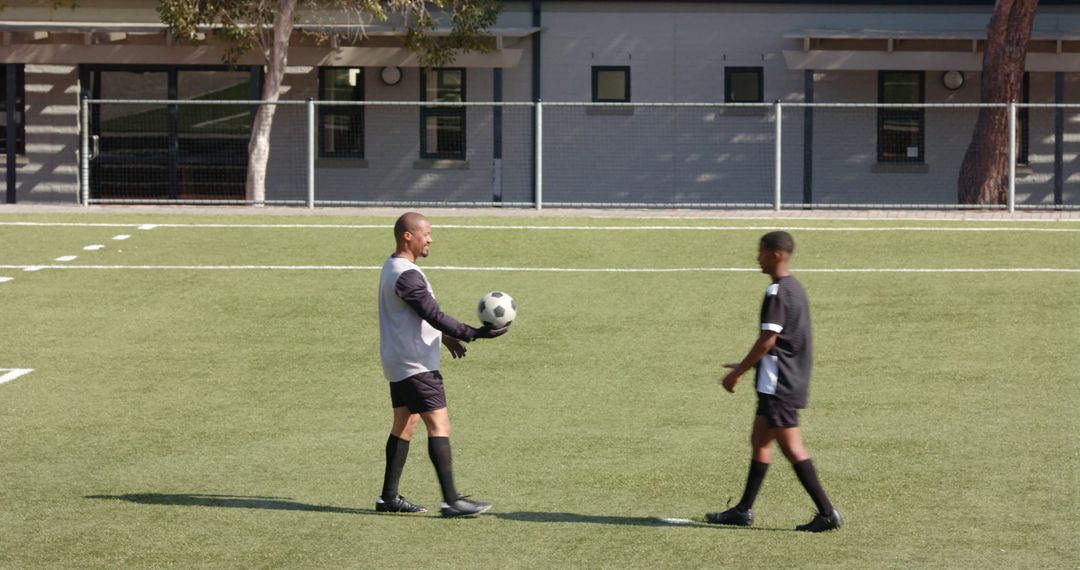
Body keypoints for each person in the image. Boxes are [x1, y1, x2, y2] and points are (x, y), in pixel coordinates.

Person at [706, 231, 842, 532]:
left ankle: (827, 513)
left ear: (776, 254)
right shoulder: (795, 288)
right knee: (759, 441)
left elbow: (769, 340)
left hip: (778, 384)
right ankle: (743, 510)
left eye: (761, 252)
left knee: (793, 449)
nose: (758, 258)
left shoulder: (777, 293)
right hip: (781, 379)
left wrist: (739, 371)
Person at [376, 212, 507, 518]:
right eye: (426, 233)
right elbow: (432, 313)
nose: (430, 239)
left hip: (399, 360)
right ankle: (451, 500)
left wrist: (445, 337)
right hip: (416, 364)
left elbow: (416, 315)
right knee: (440, 425)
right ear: (408, 236)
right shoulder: (406, 275)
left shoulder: (392, 266)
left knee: (404, 424)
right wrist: (474, 333)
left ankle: (388, 498)